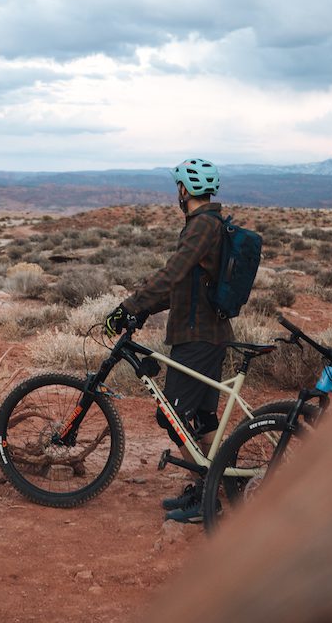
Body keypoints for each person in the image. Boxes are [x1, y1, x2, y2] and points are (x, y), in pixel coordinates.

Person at [104, 157, 232, 524]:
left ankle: (206, 499)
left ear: (184, 190)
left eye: (177, 187)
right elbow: (185, 284)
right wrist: (144, 310)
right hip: (209, 334)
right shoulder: (211, 224)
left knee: (171, 416)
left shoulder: (201, 226)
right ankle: (207, 489)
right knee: (204, 419)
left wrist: (128, 305)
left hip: (197, 338)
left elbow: (172, 272)